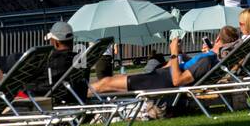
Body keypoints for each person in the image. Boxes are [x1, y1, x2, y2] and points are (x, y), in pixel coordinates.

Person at [91, 26, 239, 94]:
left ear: (218, 38)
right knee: (111, 81)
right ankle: (78, 96)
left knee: (105, 83)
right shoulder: (211, 59)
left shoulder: (207, 60)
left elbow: (177, 80)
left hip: (162, 81)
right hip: (160, 76)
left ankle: (75, 98)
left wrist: (174, 53)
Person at [32, 20, 86, 102]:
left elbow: (42, 87)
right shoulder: (80, 59)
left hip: (53, 99)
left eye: (51, 40)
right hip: (75, 97)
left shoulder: (50, 61)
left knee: (17, 92)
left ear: (56, 43)